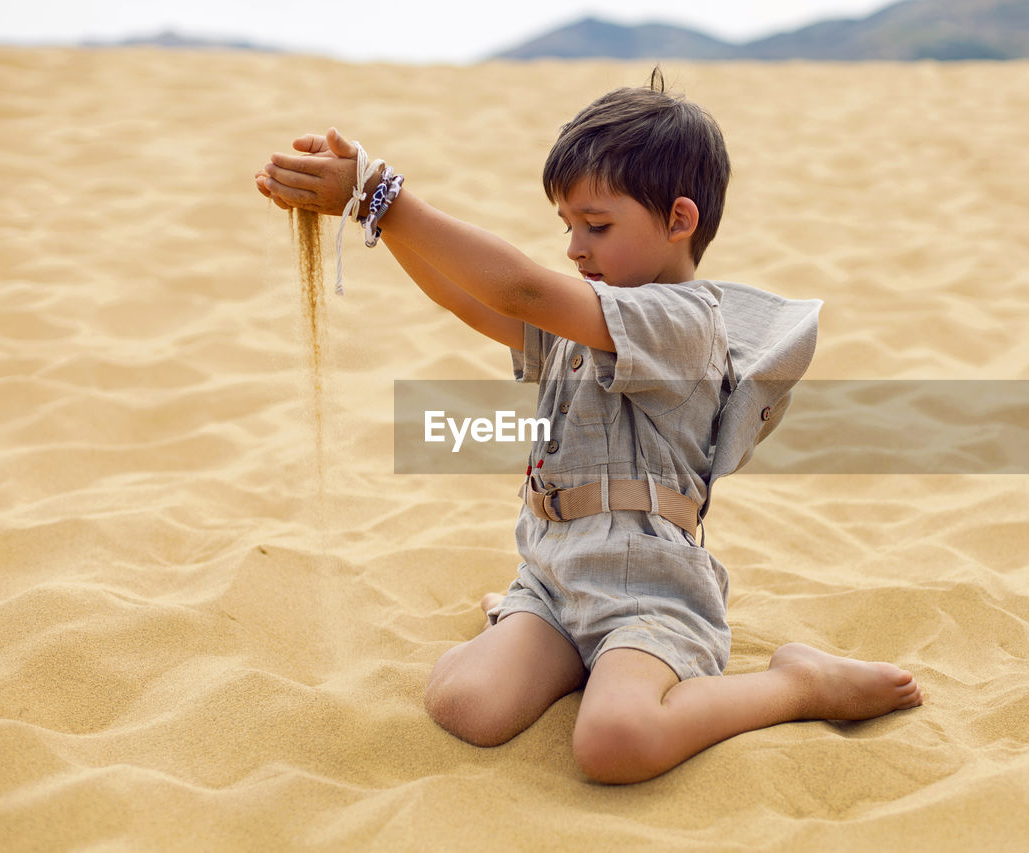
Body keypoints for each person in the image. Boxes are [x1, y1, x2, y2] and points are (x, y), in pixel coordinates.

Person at [255, 71, 922, 785]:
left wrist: (386, 191)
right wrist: (372, 213)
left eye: (596, 225)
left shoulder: (682, 321)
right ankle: (532, 629)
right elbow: (476, 303)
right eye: (567, 226)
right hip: (552, 576)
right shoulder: (585, 317)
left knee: (614, 741)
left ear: (679, 220)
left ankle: (799, 683)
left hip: (649, 593)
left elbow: (520, 287)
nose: (575, 246)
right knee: (466, 705)